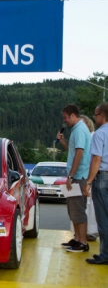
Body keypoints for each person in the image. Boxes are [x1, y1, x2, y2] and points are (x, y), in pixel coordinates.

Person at [57, 104, 91, 252]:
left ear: (72, 115)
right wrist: (63, 141)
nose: (64, 121)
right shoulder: (76, 130)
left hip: (79, 176)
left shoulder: (79, 130)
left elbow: (79, 153)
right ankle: (77, 239)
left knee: (78, 209)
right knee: (73, 209)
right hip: (76, 175)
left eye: (65, 117)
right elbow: (73, 152)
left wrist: (71, 175)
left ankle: (83, 242)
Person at [83, 103, 108, 264]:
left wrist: (89, 181)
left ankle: (105, 255)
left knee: (103, 218)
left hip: (103, 178)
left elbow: (97, 159)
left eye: (96, 115)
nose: (94, 117)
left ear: (103, 116)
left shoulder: (100, 134)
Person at [80, 115, 99, 242]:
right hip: (86, 174)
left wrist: (89, 180)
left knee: (91, 204)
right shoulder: (86, 137)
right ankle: (86, 232)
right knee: (86, 204)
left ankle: (92, 231)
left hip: (91, 174)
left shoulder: (94, 136)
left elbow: (94, 158)